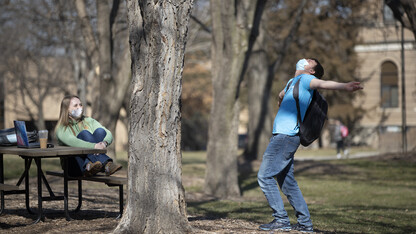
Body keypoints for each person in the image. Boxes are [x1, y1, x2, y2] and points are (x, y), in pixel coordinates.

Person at [257, 58, 363, 232]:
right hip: (284, 136)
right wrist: (280, 96)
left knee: (265, 176)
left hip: (285, 137)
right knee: (287, 182)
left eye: (309, 61)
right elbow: (282, 94)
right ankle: (305, 224)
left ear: (311, 70)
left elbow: (323, 83)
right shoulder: (293, 81)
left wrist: (344, 86)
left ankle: (281, 220)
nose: (304, 59)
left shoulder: (306, 80)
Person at [55, 95, 122, 177]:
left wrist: (104, 143)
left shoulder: (88, 120)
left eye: (80, 104)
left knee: (100, 131)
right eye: (75, 105)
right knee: (84, 134)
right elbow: (74, 142)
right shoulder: (61, 127)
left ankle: (90, 165)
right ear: (67, 110)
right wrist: (94, 146)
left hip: (94, 165)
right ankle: (106, 164)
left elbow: (108, 133)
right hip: (72, 165)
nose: (79, 107)